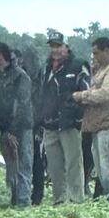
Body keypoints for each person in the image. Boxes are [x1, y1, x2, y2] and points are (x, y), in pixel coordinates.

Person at [73, 37, 109, 201]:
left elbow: (106, 93)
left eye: (96, 53)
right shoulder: (104, 68)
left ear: (107, 51)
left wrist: (82, 95)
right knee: (103, 170)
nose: (94, 57)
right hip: (100, 126)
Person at [38, 31, 90, 204]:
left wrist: (76, 112)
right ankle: (59, 199)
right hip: (49, 124)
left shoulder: (77, 65)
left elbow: (86, 93)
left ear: (66, 47)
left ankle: (76, 198)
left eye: (58, 46)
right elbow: (41, 93)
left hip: (70, 123)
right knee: (54, 165)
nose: (55, 50)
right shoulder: (46, 68)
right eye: (52, 46)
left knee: (73, 162)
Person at [0, 43, 33, 208]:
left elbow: (23, 105)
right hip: (5, 128)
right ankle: (14, 200)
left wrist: (12, 130)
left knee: (23, 164)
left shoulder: (20, 76)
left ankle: (23, 203)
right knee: (11, 167)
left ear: (0, 56)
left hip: (21, 128)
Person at [14, 47, 46, 205]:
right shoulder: (29, 78)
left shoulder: (33, 80)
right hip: (26, 122)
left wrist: (39, 124)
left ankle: (35, 195)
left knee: (34, 160)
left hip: (33, 123)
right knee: (31, 160)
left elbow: (39, 103)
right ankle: (33, 195)